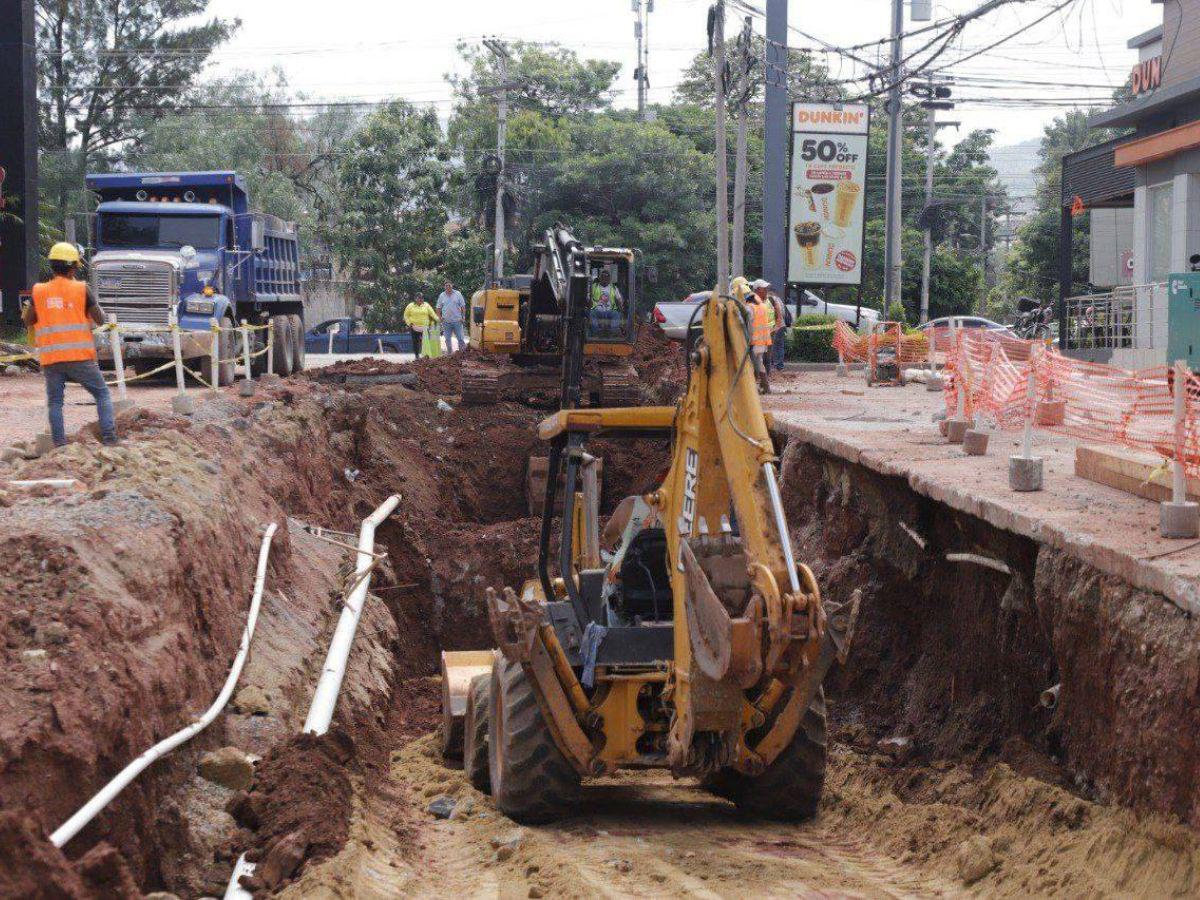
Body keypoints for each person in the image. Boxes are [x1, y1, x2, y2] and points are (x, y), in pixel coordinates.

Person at [22, 243, 118, 447]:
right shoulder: (82, 289)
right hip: (80, 357)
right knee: (102, 394)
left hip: (51, 360)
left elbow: (29, 320)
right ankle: (109, 438)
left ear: (51, 266)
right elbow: (100, 319)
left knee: (55, 402)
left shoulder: (38, 291)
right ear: (73, 267)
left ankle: (60, 445)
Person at [747, 287, 774, 394]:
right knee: (759, 363)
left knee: (752, 365)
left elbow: (747, 325)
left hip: (753, 342)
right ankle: (765, 386)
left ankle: (755, 389)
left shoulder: (749, 308)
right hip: (762, 342)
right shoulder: (762, 306)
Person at [589, 269, 624, 335]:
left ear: (609, 279)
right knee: (591, 313)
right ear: (600, 278)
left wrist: (621, 305)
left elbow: (619, 299)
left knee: (616, 314)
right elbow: (588, 297)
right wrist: (589, 302)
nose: (605, 279)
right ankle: (596, 332)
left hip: (609, 311)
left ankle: (613, 331)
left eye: (607, 277)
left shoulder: (614, 288)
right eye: (603, 277)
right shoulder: (594, 286)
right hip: (597, 310)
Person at [403, 294, 439, 358]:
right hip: (414, 327)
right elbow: (406, 316)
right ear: (415, 299)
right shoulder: (410, 305)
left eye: (422, 298)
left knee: (425, 342)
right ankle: (417, 356)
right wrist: (409, 324)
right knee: (415, 342)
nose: (420, 299)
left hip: (425, 327)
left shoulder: (426, 305)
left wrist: (438, 320)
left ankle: (426, 355)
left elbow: (433, 314)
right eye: (419, 298)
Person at [436, 280, 467, 353]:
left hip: (457, 321)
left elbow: (463, 306)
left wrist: (463, 317)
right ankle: (450, 355)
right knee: (447, 339)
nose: (448, 287)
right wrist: (440, 318)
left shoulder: (458, 294)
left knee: (460, 339)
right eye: (446, 285)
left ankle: (462, 354)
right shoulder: (442, 295)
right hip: (446, 322)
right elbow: (438, 308)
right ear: (444, 287)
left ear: (452, 285)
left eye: (449, 285)